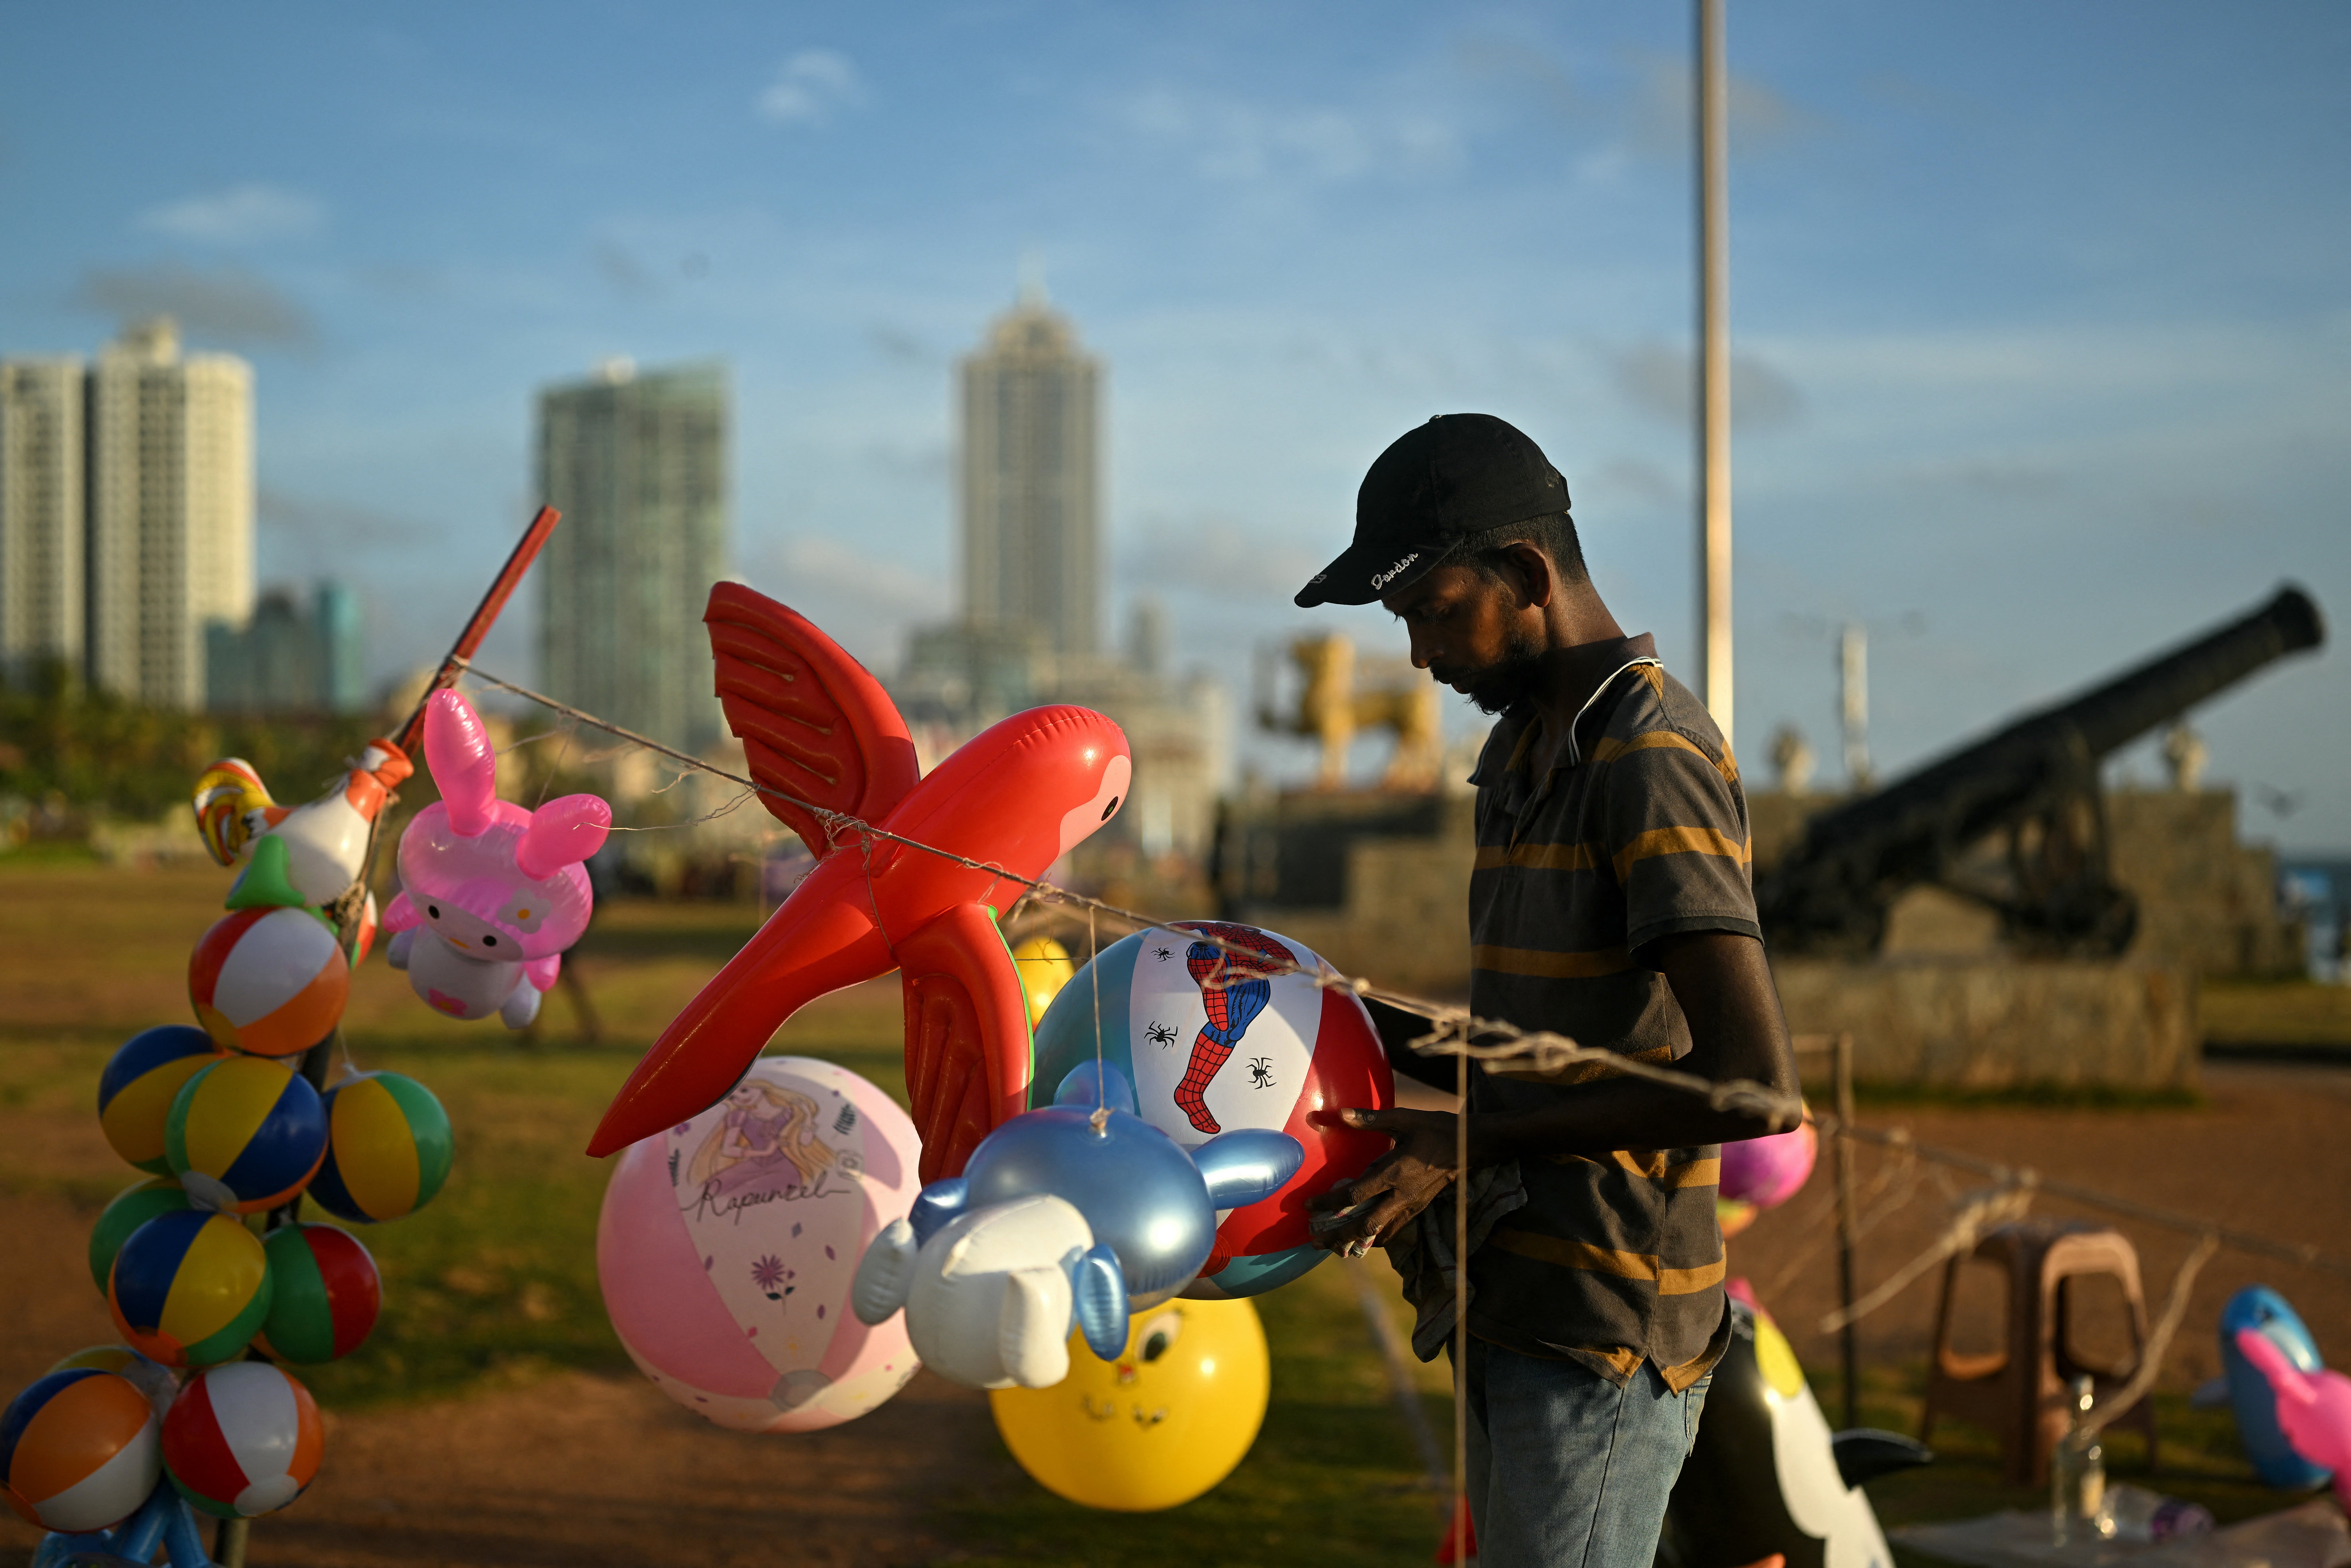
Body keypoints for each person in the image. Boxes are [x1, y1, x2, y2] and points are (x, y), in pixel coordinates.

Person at [1298, 414, 1801, 1568]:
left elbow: (1755, 1088)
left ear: (1527, 575)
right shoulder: (1524, 751)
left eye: (1432, 613)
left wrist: (1473, 1136)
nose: (1422, 659)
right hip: (1511, 1298)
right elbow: (1542, 1044)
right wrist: (1320, 1011)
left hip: (1606, 1332)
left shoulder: (1648, 752)